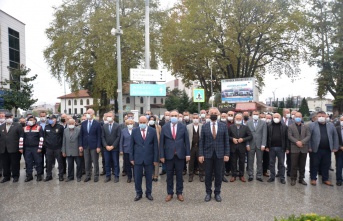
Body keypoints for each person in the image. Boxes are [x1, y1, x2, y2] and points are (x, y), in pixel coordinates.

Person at [199, 107, 230, 202]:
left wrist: (226, 154)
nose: (213, 114)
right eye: (211, 113)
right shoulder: (204, 126)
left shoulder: (223, 126)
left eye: (215, 113)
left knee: (218, 174)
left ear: (218, 114)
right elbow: (201, 142)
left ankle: (217, 193)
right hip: (207, 154)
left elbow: (226, 141)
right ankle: (208, 193)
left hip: (220, 154)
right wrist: (201, 154)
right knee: (208, 174)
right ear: (209, 114)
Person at [160, 110, 190, 202]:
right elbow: (161, 143)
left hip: (180, 155)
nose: (173, 117)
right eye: (171, 115)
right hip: (168, 155)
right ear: (169, 116)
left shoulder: (183, 126)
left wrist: (188, 154)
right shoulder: (165, 127)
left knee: (179, 175)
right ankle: (170, 193)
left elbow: (187, 141)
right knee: (169, 176)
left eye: (175, 115)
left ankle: (179, 193)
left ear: (178, 117)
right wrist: (161, 155)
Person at [130, 116, 158, 201]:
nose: (142, 124)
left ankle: (148, 193)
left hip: (149, 158)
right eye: (140, 122)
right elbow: (131, 145)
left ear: (147, 122)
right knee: (137, 178)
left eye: (144, 122)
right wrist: (131, 158)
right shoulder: (134, 131)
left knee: (149, 177)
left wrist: (155, 159)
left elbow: (155, 146)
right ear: (138, 122)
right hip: (137, 158)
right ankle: (138, 193)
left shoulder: (152, 131)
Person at [309, 111, 339, 186]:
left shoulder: (331, 125)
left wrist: (335, 147)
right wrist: (309, 147)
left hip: (327, 149)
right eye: (319, 116)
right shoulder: (312, 125)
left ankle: (325, 179)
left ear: (326, 116)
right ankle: (313, 178)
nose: (321, 117)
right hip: (316, 149)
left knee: (326, 164)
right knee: (314, 164)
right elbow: (309, 137)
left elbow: (335, 136)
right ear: (316, 117)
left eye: (323, 116)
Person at [288, 112, 311, 186]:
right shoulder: (290, 126)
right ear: (294, 117)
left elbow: (308, 135)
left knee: (302, 164)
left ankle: (301, 178)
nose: (298, 118)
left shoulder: (306, 126)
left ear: (302, 117)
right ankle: (293, 179)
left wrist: (302, 142)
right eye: (296, 116)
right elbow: (289, 136)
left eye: (299, 116)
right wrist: (297, 142)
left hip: (303, 148)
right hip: (294, 147)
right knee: (293, 165)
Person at [79, 109, 102, 182]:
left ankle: (96, 175)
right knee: (87, 161)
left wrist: (98, 146)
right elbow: (81, 135)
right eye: (86, 113)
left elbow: (99, 136)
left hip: (94, 146)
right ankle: (88, 175)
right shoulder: (83, 123)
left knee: (95, 161)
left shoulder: (97, 124)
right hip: (85, 145)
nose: (87, 114)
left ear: (92, 114)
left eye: (88, 113)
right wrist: (80, 145)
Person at [0, 113, 24, 183]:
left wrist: (21, 147)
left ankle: (15, 176)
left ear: (12, 117)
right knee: (5, 164)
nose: (8, 118)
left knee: (15, 163)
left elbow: (21, 137)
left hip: (14, 148)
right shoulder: (2, 126)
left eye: (9, 117)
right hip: (3, 149)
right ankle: (6, 176)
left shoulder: (18, 125)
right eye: (7, 117)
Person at [228, 113, 252, 182]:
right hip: (233, 147)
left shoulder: (245, 127)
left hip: (242, 147)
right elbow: (227, 136)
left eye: (240, 119)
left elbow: (250, 136)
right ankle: (233, 175)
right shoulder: (231, 127)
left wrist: (243, 139)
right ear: (234, 119)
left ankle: (241, 175)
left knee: (242, 162)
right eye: (237, 119)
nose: (238, 120)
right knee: (233, 162)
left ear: (242, 120)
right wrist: (232, 139)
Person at [266, 113, 288, 184]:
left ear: (280, 117)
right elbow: (267, 137)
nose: (275, 118)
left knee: (281, 163)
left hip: (281, 148)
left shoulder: (284, 126)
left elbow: (286, 138)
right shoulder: (269, 126)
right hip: (271, 148)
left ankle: (282, 177)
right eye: (274, 117)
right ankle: (272, 177)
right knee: (271, 163)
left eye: (277, 117)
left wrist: (287, 148)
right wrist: (267, 146)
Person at [246, 111, 267, 182]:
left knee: (259, 161)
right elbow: (246, 134)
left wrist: (263, 144)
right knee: (250, 161)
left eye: (257, 114)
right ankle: (250, 175)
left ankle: (259, 175)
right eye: (254, 114)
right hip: (250, 144)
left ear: (259, 115)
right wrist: (247, 144)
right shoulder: (248, 123)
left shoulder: (263, 123)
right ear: (252, 115)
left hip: (260, 145)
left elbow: (264, 134)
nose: (255, 115)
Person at [43, 115, 64, 182]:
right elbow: (44, 137)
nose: (51, 120)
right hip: (49, 148)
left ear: (55, 119)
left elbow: (63, 137)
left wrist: (62, 147)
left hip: (57, 148)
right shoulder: (46, 127)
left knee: (60, 162)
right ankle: (49, 176)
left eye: (52, 118)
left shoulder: (60, 127)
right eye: (50, 119)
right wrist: (46, 146)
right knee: (48, 162)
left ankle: (61, 176)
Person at [101, 112, 121, 183]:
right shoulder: (104, 126)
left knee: (115, 162)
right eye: (107, 116)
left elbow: (118, 137)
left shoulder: (117, 126)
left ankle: (116, 176)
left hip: (114, 148)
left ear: (113, 117)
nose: (108, 117)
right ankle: (108, 176)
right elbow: (102, 137)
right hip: (106, 148)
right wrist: (106, 146)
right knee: (107, 162)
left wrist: (113, 146)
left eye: (110, 116)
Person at [23, 116, 44, 182]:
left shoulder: (39, 128)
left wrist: (40, 147)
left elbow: (41, 138)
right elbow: (23, 138)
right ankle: (29, 176)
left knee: (38, 162)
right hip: (27, 148)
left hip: (36, 148)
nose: (31, 121)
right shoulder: (25, 128)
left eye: (32, 120)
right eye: (29, 120)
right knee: (28, 162)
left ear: (35, 121)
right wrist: (22, 148)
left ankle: (39, 175)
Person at [187, 113, 204, 182]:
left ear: (199, 118)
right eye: (194, 118)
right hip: (192, 147)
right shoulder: (188, 126)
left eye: (197, 117)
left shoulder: (203, 126)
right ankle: (191, 175)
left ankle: (201, 175)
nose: (195, 119)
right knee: (191, 162)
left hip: (200, 147)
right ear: (192, 118)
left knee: (201, 162)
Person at [148, 115, 161, 181]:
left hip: (157, 146)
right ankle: (151, 175)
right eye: (150, 119)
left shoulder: (158, 127)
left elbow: (160, 136)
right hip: (149, 147)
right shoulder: (147, 127)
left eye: (153, 119)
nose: (151, 120)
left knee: (156, 161)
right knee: (149, 161)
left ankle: (156, 175)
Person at [335, 116, 343, 186]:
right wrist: (340, 146)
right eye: (341, 120)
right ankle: (339, 180)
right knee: (339, 166)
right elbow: (335, 139)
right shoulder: (337, 129)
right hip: (339, 151)